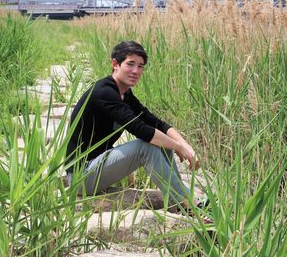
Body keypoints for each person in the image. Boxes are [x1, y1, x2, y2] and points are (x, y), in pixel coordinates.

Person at [66, 40, 201, 209]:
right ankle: (188, 203)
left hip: (98, 166)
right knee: (148, 146)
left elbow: (155, 122)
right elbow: (140, 129)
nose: (136, 71)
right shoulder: (104, 92)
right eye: (130, 64)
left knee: (162, 140)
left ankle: (181, 199)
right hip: (82, 176)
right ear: (115, 64)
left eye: (140, 66)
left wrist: (185, 145)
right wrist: (178, 147)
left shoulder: (125, 94)